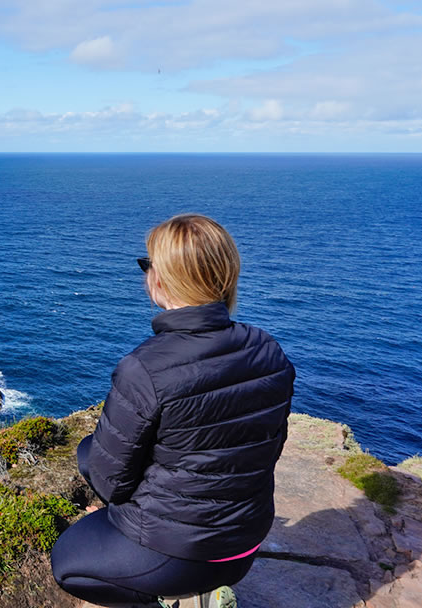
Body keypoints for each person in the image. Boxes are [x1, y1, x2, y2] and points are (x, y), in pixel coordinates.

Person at [49, 214, 295, 608]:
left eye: (148, 265)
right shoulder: (268, 350)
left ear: (161, 279)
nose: (145, 274)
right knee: (90, 453)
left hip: (181, 556)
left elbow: (110, 483)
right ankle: (205, 589)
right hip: (245, 544)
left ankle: (170, 599)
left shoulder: (145, 368)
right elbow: (265, 448)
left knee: (68, 562)